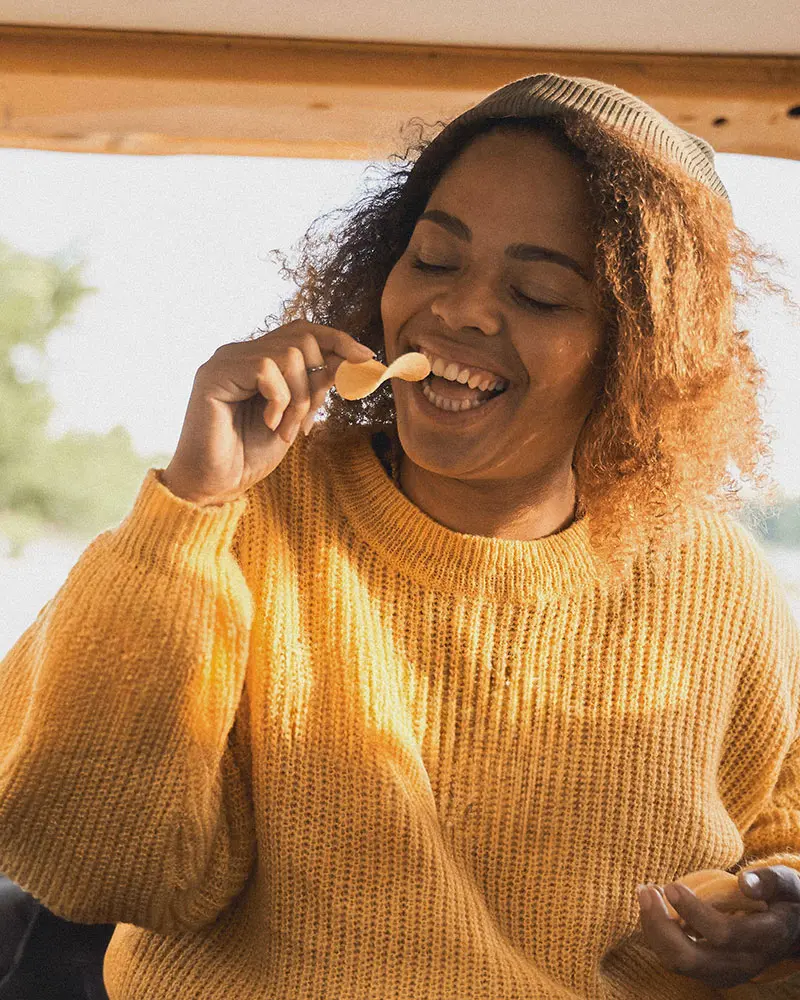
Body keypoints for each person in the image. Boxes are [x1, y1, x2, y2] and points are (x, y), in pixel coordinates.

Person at [1, 73, 799, 999]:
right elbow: (95, 865)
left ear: (641, 353)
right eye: (432, 258)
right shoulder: (246, 514)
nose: (458, 309)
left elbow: (781, 836)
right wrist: (189, 509)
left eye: (540, 293)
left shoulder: (716, 578)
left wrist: (778, 919)